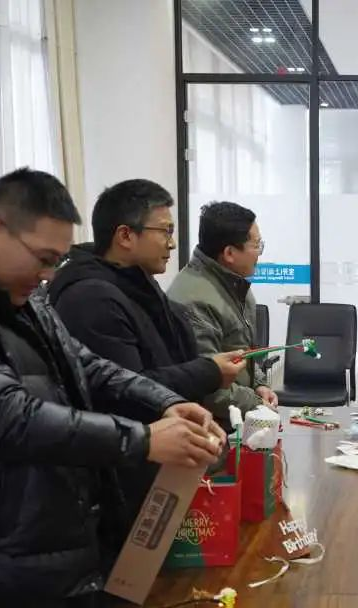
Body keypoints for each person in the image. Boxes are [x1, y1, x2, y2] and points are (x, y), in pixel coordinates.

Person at [0, 169, 224, 608]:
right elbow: (7, 416)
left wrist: (167, 402)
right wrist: (143, 440)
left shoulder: (18, 294)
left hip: (53, 546)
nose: (48, 275)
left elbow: (86, 365)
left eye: (57, 261)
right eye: (43, 258)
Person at [47, 179, 246, 561]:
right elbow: (126, 390)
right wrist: (208, 371)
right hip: (124, 479)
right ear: (125, 235)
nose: (172, 243)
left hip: (155, 465)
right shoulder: (91, 298)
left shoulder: (138, 286)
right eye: (165, 231)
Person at [168, 201, 276, 430]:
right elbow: (209, 386)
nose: (259, 253)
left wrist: (259, 385)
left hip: (237, 419)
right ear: (229, 253)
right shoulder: (194, 301)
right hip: (211, 428)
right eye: (256, 245)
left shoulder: (234, 283)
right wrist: (257, 404)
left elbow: (242, 352)